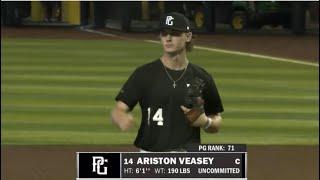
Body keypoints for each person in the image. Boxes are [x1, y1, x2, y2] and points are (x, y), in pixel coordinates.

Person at [111, 12, 224, 152]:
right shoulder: (144, 74)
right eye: (164, 33)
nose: (168, 38)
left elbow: (216, 119)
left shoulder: (201, 77)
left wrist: (206, 122)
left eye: (174, 33)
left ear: (188, 37)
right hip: (150, 156)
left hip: (186, 159)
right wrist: (120, 117)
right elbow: (118, 109)